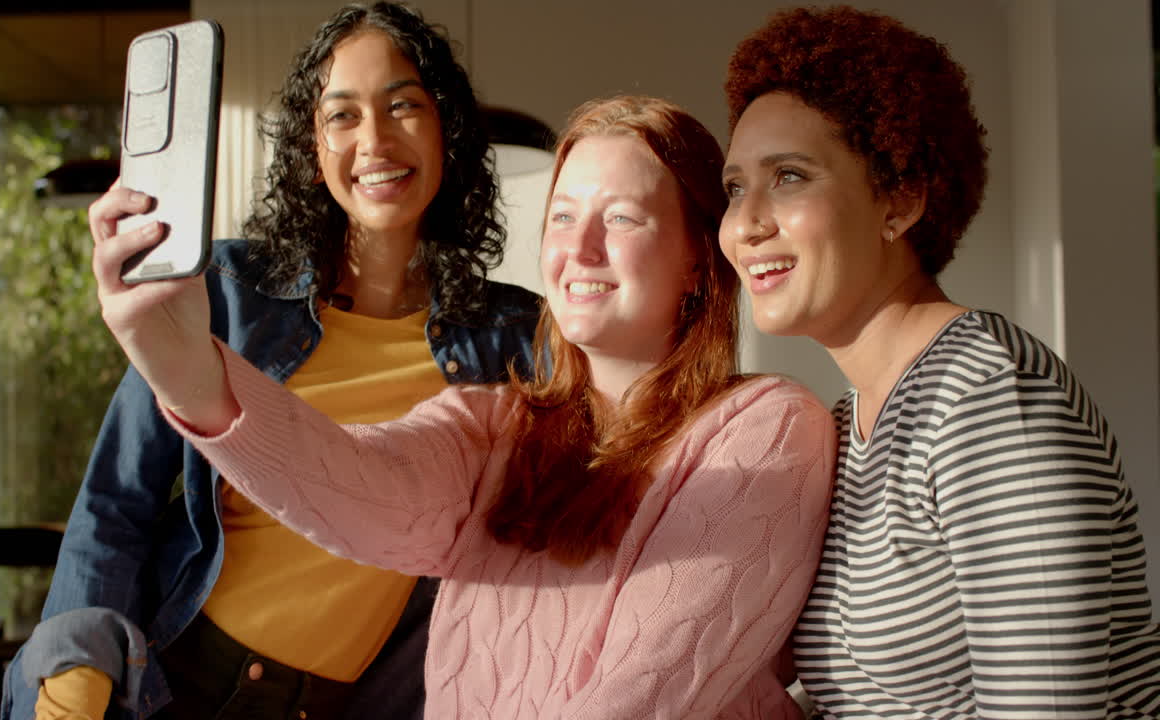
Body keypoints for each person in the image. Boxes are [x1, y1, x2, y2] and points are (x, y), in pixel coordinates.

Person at [89, 94, 836, 718]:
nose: (579, 251)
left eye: (622, 219)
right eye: (565, 216)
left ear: (700, 263)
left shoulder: (767, 429)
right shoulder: (498, 424)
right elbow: (346, 478)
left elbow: (640, 695)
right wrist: (183, 366)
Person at [3, 3, 541, 719]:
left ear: (447, 128)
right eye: (342, 116)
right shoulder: (220, 291)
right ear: (312, 150)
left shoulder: (516, 337)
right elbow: (115, 506)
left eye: (404, 105)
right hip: (171, 680)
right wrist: (72, 682)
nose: (375, 139)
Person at [719, 6, 1160, 718]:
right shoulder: (851, 420)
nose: (745, 222)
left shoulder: (988, 396)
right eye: (735, 187)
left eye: (790, 177)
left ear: (901, 199)